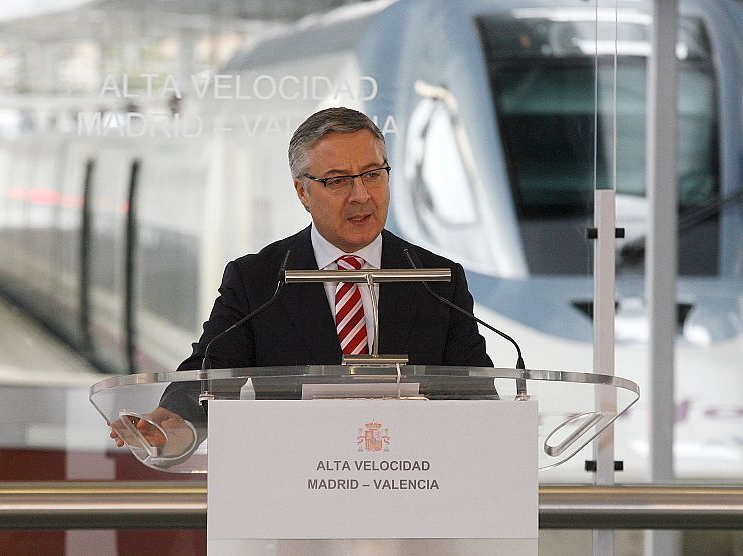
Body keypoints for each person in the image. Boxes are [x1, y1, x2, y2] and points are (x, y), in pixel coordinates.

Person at [111, 107, 492, 449]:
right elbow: (211, 371)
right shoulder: (258, 279)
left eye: (373, 175)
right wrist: (172, 420)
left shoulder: (437, 279)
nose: (361, 195)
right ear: (302, 191)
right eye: (338, 181)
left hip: (418, 488)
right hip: (299, 493)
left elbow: (477, 394)